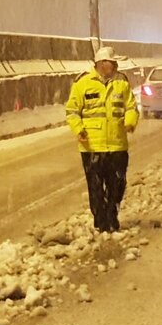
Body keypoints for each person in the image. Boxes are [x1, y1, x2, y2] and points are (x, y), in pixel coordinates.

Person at [65, 46, 139, 233]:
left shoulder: (122, 82)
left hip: (117, 144)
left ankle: (112, 214)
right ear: (100, 63)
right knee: (96, 187)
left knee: (117, 184)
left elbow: (131, 106)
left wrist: (130, 121)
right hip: (92, 147)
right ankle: (101, 222)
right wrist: (79, 130)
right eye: (110, 62)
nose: (113, 66)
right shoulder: (82, 83)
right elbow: (72, 111)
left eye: (114, 63)